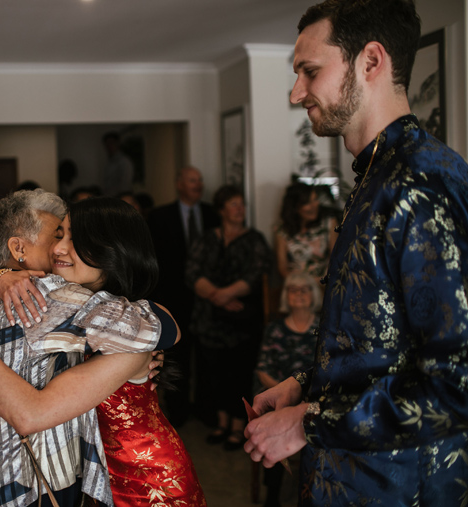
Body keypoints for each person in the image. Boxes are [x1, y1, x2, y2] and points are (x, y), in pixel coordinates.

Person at [243, 1, 468, 505]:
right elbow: (382, 344)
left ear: (371, 61)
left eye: (310, 71)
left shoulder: (422, 185)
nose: (296, 91)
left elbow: (457, 382)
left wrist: (309, 422)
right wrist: (305, 385)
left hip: (402, 488)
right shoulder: (373, 177)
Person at [0, 195, 205, 506]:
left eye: (70, 238)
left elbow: (166, 328)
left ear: (110, 251)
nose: (58, 248)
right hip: (101, 480)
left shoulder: (94, 314)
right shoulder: (43, 300)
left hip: (145, 481)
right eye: (58, 235)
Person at [185, 184, 271, 449]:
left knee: (239, 374)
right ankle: (221, 423)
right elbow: (191, 271)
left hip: (241, 321)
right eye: (233, 204)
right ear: (221, 210)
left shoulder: (254, 239)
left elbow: (255, 275)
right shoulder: (206, 238)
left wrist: (226, 294)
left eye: (241, 204)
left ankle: (237, 426)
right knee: (214, 373)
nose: (239, 209)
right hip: (209, 319)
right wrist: (216, 296)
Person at [146, 166, 217, 427]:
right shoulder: (160, 217)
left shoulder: (211, 214)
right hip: (174, 299)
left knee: (208, 357)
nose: (197, 185)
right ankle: (177, 412)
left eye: (199, 180)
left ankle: (206, 408)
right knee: (177, 356)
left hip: (208, 300)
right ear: (179, 184)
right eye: (192, 180)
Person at [254, 272, 322, 507]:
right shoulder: (275, 329)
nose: (299, 293)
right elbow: (263, 370)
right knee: (272, 421)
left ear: (314, 295)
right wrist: (286, 393)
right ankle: (272, 494)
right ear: (286, 296)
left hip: (314, 399)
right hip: (279, 396)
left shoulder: (323, 328)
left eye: (305, 289)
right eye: (293, 289)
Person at [274, 182, 337, 283]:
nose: (315, 205)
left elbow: (336, 258)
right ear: (295, 207)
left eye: (315, 199)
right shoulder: (282, 230)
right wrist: (298, 283)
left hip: (324, 283)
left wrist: (323, 281)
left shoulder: (328, 223)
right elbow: (282, 267)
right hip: (296, 284)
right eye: (307, 203)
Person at [102, 132, 134, 198]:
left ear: (118, 143)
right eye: (107, 143)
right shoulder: (109, 162)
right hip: (109, 198)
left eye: (111, 143)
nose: (109, 146)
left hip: (119, 199)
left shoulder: (124, 161)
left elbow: (125, 184)